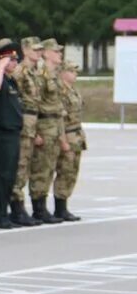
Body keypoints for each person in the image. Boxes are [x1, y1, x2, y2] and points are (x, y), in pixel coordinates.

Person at [28, 39, 69, 224]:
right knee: (41, 169)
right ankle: (38, 208)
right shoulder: (41, 73)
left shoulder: (54, 74)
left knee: (50, 167)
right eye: (56, 51)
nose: (60, 54)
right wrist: (35, 131)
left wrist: (61, 134)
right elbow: (35, 103)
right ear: (46, 53)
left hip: (54, 125)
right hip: (44, 125)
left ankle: (43, 206)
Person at [0, 42, 24, 228]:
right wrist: (0, 65)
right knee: (0, 177)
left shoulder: (11, 81)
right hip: (1, 134)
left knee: (9, 176)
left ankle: (2, 212)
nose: (14, 63)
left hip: (13, 133)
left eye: (15, 60)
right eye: (11, 59)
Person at [9, 38, 43, 226]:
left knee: (27, 166)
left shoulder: (35, 72)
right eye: (35, 49)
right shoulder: (20, 72)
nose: (38, 53)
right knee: (20, 167)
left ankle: (21, 207)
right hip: (24, 122)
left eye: (40, 50)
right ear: (25, 50)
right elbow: (16, 101)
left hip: (33, 121)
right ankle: (16, 207)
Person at [53, 63, 84, 222]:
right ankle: (60, 207)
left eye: (75, 71)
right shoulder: (60, 92)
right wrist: (62, 139)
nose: (75, 74)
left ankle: (64, 205)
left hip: (76, 135)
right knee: (64, 171)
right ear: (62, 72)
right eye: (71, 71)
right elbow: (59, 118)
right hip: (67, 135)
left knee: (72, 172)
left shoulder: (73, 90)